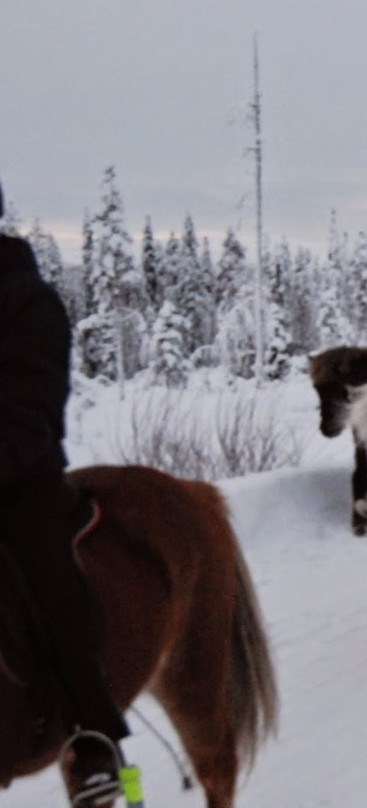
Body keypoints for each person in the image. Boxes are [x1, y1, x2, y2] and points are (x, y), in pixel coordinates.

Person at [0, 179, 129, 806]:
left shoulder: (27, 302)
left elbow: (31, 412)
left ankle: (93, 734)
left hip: (17, 479)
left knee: (47, 582)